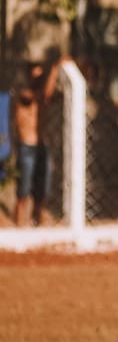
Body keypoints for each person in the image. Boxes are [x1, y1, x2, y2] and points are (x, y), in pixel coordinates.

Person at [9, 57, 63, 227]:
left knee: (42, 190)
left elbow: (50, 95)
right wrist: (55, 69)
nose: (37, 80)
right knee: (23, 190)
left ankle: (38, 221)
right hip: (27, 146)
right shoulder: (24, 93)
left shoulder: (45, 96)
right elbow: (42, 95)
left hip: (42, 146)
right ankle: (19, 222)